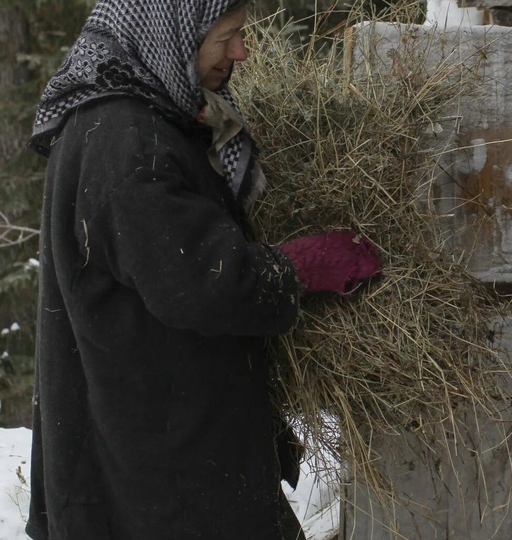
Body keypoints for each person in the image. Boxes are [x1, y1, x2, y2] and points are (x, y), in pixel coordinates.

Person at [25, 1, 381, 538]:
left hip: (154, 442)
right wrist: (301, 267)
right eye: (228, 36)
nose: (240, 51)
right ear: (172, 33)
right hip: (165, 476)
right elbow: (202, 283)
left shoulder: (128, 116)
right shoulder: (126, 139)